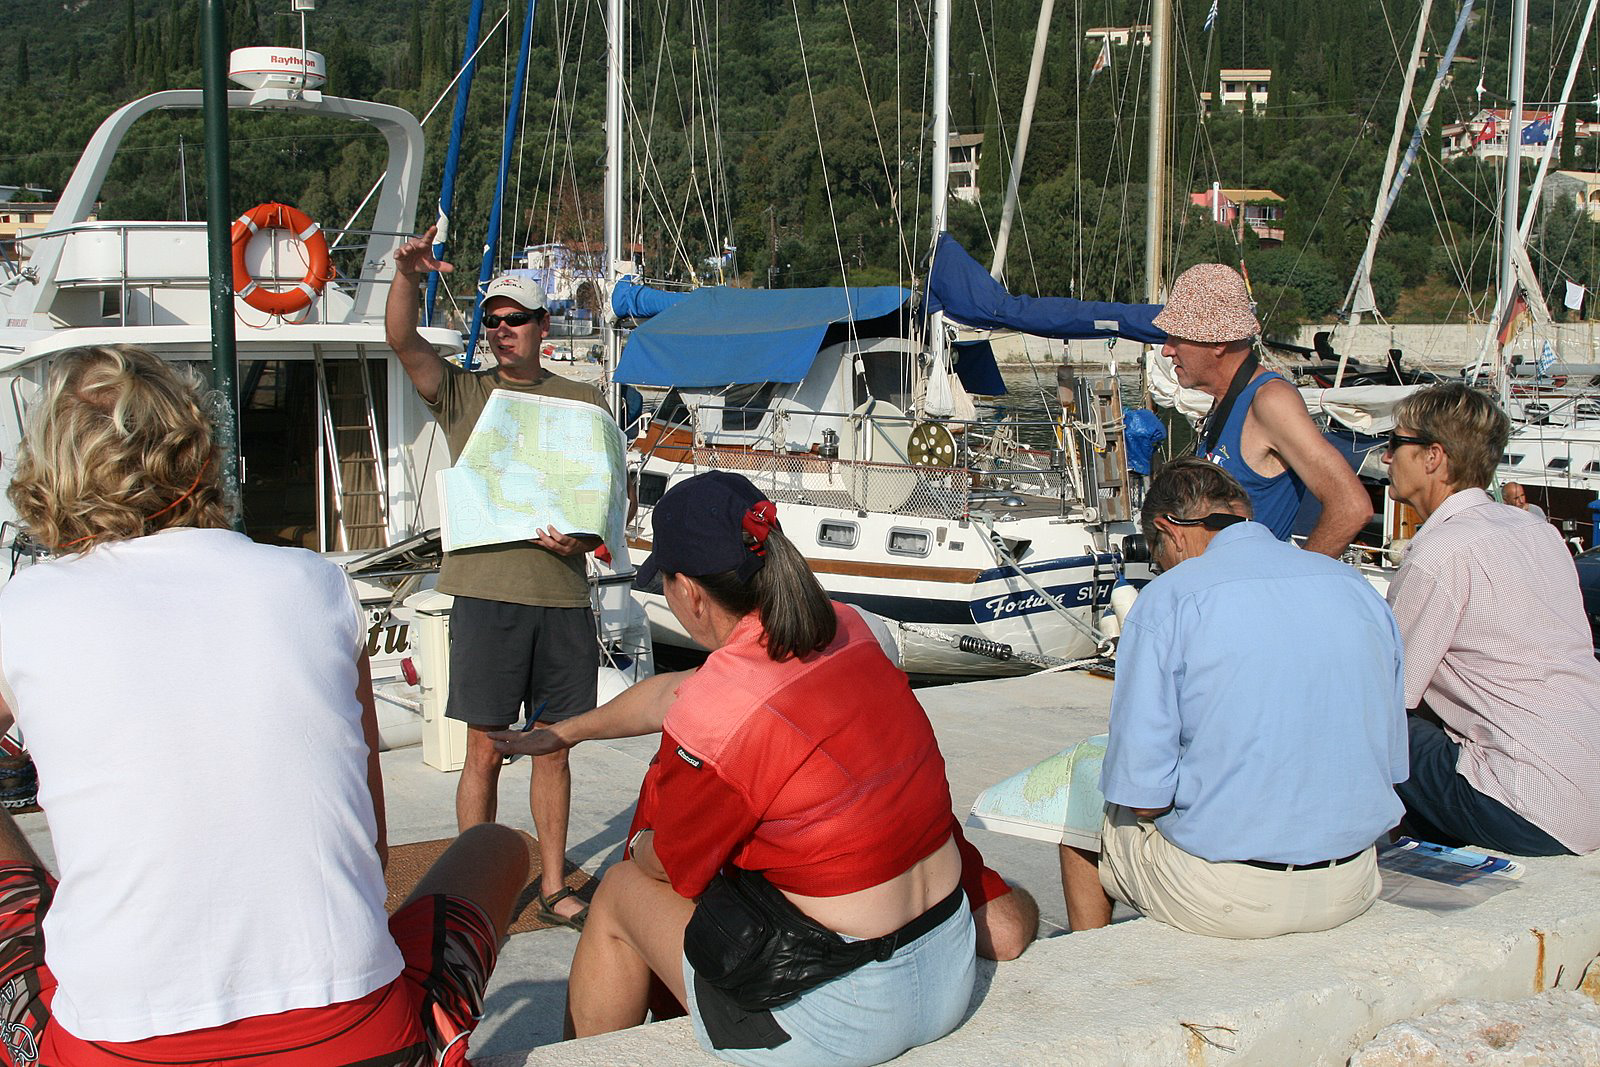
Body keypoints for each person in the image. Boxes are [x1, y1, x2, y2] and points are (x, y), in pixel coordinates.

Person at [0, 345, 530, 1065]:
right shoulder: (312, 583)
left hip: (112, 1044)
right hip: (357, 1038)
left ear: (53, 471)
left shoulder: (26, 607)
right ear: (200, 457)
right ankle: (435, 1034)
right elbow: (372, 854)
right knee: (500, 845)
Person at [492, 471, 977, 1066]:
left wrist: (640, 844)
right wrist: (564, 733)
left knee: (619, 891)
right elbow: (677, 693)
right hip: (946, 964)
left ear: (690, 592)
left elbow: (670, 864)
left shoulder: (726, 703)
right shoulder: (852, 627)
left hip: (845, 1014)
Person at [1059, 458, 1407, 939]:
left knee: (1081, 813)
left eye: (1158, 555)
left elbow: (1142, 799)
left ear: (1169, 531)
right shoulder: (1353, 586)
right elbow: (1391, 764)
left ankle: (1089, 957)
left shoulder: (1170, 599)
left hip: (1229, 896)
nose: (1161, 567)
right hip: (1355, 879)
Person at [386, 227, 604, 927]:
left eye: (516, 319)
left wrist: (586, 537)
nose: (502, 330)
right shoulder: (462, 392)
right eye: (493, 320)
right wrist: (408, 276)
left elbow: (605, 490)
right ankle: (469, 894)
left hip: (562, 597)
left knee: (555, 747)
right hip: (485, 596)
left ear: (543, 326)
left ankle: (553, 886)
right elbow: (403, 341)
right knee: (482, 749)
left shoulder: (584, 397)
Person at [1382, 384, 1600, 856]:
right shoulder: (1537, 532)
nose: (1385, 457)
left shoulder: (1441, 552)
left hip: (1527, 806)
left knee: (1368, 720)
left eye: (1395, 442)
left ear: (1433, 456)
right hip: (1589, 787)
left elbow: (1386, 693)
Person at [1152, 263, 1372, 556]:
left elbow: (1352, 506)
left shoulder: (1270, 400)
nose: (1166, 350)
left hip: (1251, 582)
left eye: (1177, 337)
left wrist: (1292, 575)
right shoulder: (1226, 400)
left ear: (1217, 342)